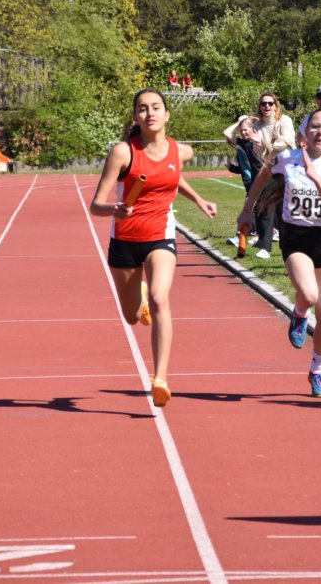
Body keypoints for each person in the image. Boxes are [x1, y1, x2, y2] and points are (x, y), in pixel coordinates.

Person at [89, 88, 217, 408]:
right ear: (136, 116)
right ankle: (140, 297)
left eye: (156, 107)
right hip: (125, 240)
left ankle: (160, 379)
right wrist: (114, 209)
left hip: (161, 236)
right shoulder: (123, 153)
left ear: (167, 114)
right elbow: (96, 205)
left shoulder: (181, 151)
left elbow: (171, 177)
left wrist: (199, 200)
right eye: (143, 109)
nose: (150, 113)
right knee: (132, 317)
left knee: (162, 298)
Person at [236, 109, 321, 398]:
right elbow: (264, 174)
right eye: (315, 126)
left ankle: (317, 371)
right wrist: (247, 210)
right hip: (295, 236)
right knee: (309, 295)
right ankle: (300, 313)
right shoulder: (288, 158)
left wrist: (316, 178)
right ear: (304, 131)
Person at [223, 92, 295, 258]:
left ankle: (289, 245)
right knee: (265, 207)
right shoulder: (257, 126)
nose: (266, 106)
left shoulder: (284, 120)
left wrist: (272, 141)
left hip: (287, 169)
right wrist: (262, 144)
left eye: (270, 103)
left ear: (275, 106)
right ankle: (264, 246)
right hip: (268, 168)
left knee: (284, 210)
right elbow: (260, 153)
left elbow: (288, 142)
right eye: (263, 104)